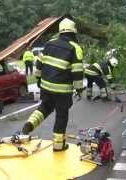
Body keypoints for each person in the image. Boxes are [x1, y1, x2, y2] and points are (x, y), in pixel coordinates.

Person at [21, 17, 84, 151]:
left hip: (46, 86)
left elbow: (39, 63)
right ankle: (58, 145)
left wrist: (38, 79)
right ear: (73, 32)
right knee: (61, 115)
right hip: (62, 90)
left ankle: (29, 124)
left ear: (60, 31)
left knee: (45, 107)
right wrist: (79, 89)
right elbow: (77, 72)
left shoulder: (50, 43)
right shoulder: (75, 48)